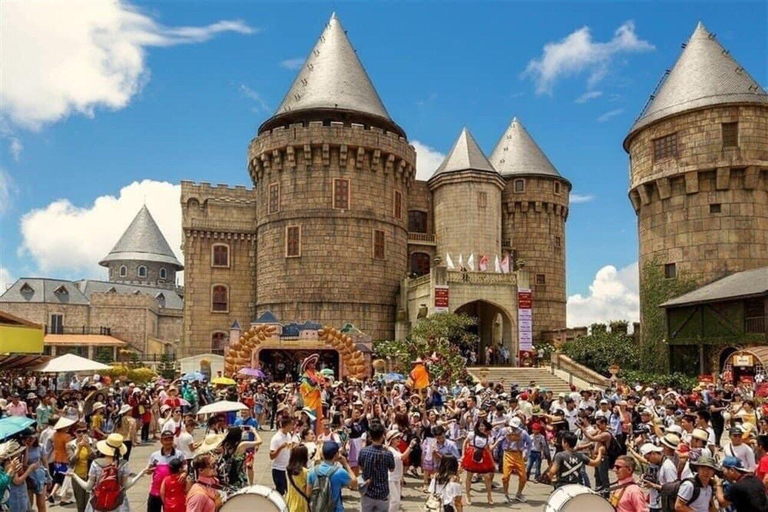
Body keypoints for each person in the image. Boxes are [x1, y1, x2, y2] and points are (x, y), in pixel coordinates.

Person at [69, 433, 148, 512]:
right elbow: (126, 486)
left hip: (98, 504)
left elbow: (88, 487)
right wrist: (141, 474)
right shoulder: (123, 464)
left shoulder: (96, 464)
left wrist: (74, 475)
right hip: (118, 505)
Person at [306, 441, 358, 512]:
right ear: (336, 454)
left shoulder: (313, 471)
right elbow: (354, 483)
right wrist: (346, 464)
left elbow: (308, 493)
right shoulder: (339, 472)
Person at [358, 420, 395, 512]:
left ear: (370, 436)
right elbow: (392, 469)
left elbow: (361, 467)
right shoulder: (388, 453)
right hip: (382, 493)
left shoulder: (363, 451)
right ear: (383, 436)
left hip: (367, 492)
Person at [147, 429, 186, 512]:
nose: (168, 442)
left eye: (170, 439)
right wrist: (149, 470)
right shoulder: (154, 455)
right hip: (155, 491)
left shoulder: (179, 454)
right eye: (166, 439)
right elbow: (149, 469)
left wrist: (184, 474)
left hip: (172, 493)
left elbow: (185, 467)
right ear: (161, 441)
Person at [496, 417, 530, 504]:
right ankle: (506, 495)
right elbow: (498, 440)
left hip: (518, 455)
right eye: (512, 426)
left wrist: (526, 453)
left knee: (523, 477)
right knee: (505, 477)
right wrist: (496, 452)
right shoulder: (504, 430)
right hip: (507, 454)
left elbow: (529, 443)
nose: (513, 428)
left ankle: (519, 494)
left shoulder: (523, 433)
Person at [460, 420, 495, 505]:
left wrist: (498, 441)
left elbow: (490, 448)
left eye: (483, 426)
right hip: (472, 454)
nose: (481, 428)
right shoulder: (472, 434)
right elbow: (465, 442)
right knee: (469, 476)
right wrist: (463, 454)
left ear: (485, 427)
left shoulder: (488, 437)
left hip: (483, 455)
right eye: (480, 426)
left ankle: (489, 495)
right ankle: (467, 495)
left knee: (487, 477)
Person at [67, 422, 93, 512]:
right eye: (79, 432)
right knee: (80, 504)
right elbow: (71, 462)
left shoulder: (93, 442)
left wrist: (88, 448)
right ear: (74, 432)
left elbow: (96, 459)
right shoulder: (70, 445)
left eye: (84, 431)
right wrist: (78, 450)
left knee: (91, 503)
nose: (82, 434)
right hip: (78, 477)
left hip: (91, 477)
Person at [24, 431, 49, 512]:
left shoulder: (40, 446)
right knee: (29, 505)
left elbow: (45, 462)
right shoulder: (22, 448)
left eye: (33, 438)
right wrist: (26, 448)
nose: (31, 440)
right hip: (28, 477)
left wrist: (49, 477)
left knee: (41, 504)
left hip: (40, 476)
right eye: (29, 438)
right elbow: (24, 463)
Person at [270, 416, 295, 495]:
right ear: (287, 425)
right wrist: (280, 448)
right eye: (291, 424)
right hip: (278, 469)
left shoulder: (288, 435)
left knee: (288, 491)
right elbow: (271, 456)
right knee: (281, 492)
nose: (293, 426)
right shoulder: (276, 438)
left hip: (287, 467)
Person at [286, 445, 310, 512]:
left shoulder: (289, 470)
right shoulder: (306, 472)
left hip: (290, 500)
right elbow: (308, 492)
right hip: (301, 503)